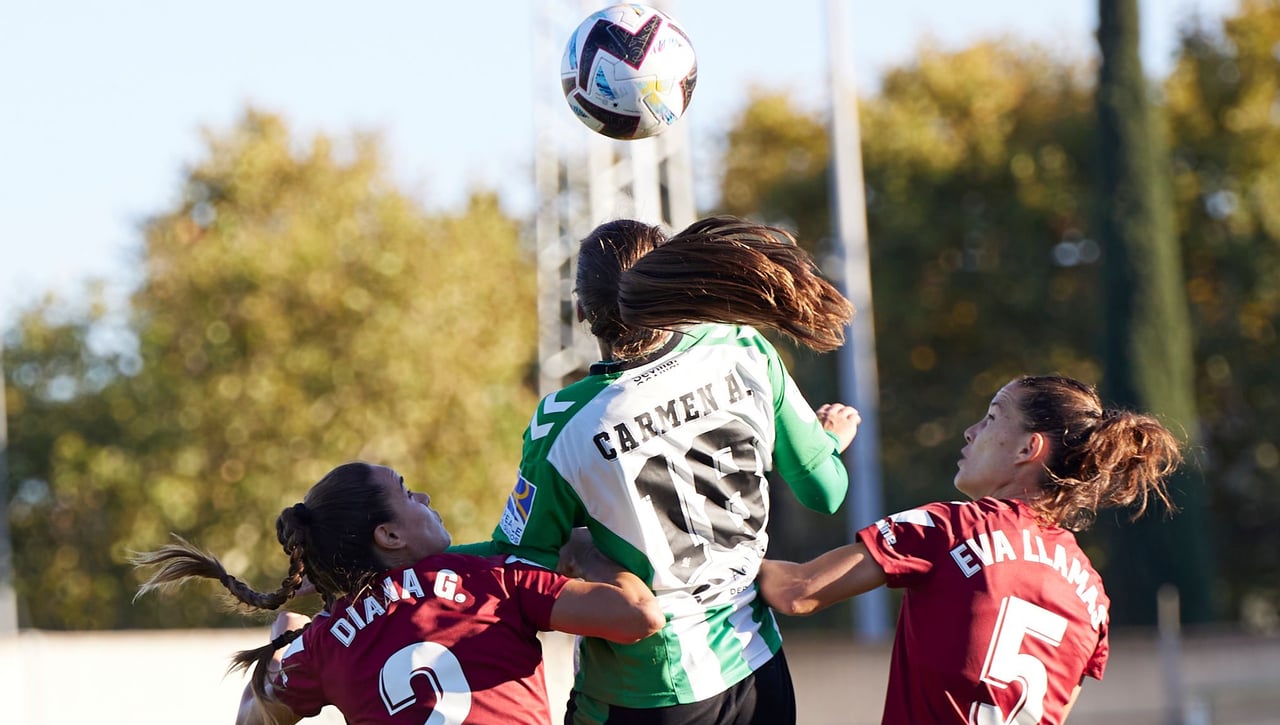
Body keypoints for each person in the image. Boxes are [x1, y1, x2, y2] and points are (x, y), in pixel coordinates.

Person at [463, 215, 862, 724]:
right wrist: (828, 441)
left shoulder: (564, 423)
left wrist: (393, 565)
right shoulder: (742, 348)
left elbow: (519, 565)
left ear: (582, 310)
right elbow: (825, 492)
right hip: (759, 675)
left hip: (645, 692)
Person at [757, 375, 1184, 724]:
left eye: (992, 416)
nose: (971, 431)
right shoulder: (1092, 598)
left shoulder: (953, 527)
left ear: (1027, 449)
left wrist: (815, 448)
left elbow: (796, 591)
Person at [132, 461, 665, 725]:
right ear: (388, 536)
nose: (425, 496)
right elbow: (638, 616)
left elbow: (252, 715)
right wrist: (585, 552)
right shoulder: (487, 578)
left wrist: (287, 633)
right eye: (408, 492)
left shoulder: (322, 644)